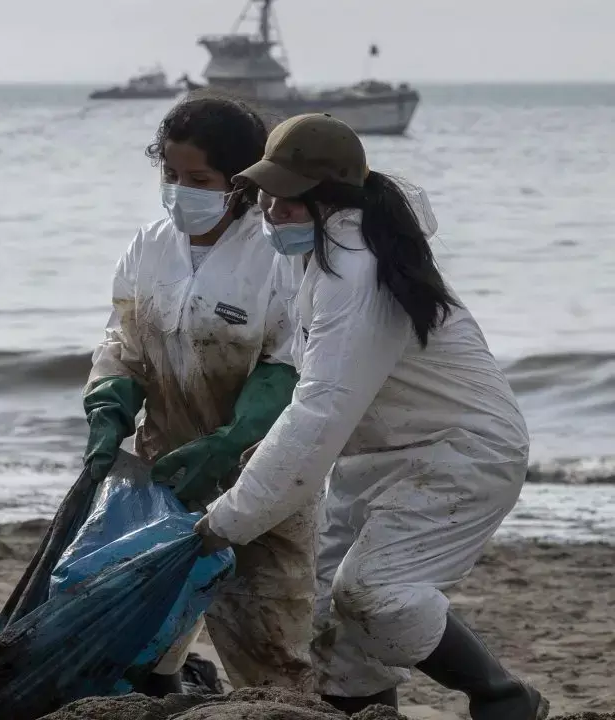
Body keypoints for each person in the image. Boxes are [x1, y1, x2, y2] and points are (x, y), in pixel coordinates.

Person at [195, 113, 548, 720]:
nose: (272, 211)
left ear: (330, 197)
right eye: (267, 195)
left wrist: (228, 519)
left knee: (375, 591)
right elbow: (313, 380)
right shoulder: (316, 252)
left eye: (288, 199)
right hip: (380, 453)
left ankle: (504, 697)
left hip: (459, 452)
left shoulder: (358, 269)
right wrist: (257, 461)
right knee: (335, 614)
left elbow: (321, 410)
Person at [84, 93, 315, 695]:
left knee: (269, 646)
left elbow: (288, 362)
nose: (180, 189)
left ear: (239, 183)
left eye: (199, 179)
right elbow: (125, 338)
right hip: (165, 468)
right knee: (143, 640)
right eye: (170, 174)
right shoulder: (150, 245)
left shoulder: (277, 255)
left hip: (261, 474)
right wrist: (109, 403)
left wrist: (230, 443)